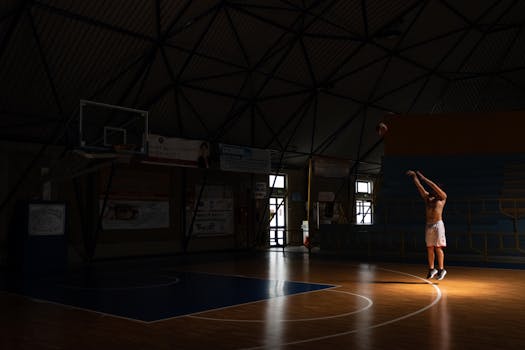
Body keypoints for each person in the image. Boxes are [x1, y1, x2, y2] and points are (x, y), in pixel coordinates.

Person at [406, 170, 448, 280]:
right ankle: (431, 268)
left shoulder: (442, 197)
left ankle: (441, 269)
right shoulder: (427, 198)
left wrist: (424, 178)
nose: (433, 190)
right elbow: (419, 187)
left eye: (435, 189)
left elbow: (432, 185)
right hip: (429, 225)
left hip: (438, 225)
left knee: (438, 247)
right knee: (430, 248)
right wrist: (415, 177)